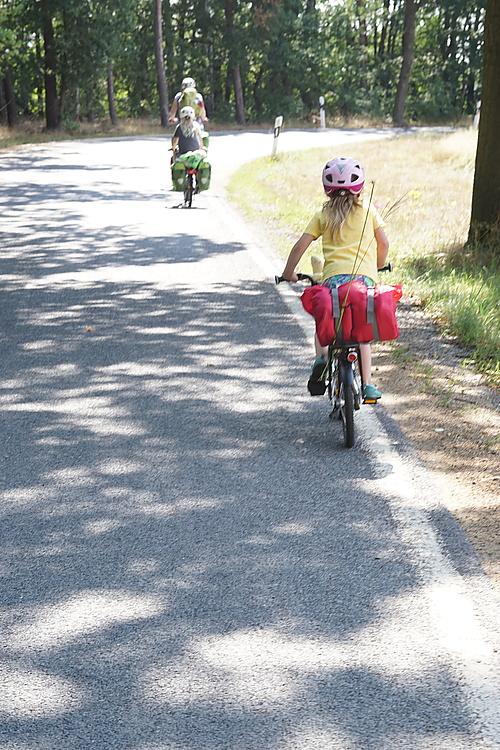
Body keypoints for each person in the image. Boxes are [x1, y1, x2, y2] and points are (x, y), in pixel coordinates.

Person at [280, 156, 389, 400]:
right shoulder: (368, 211)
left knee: (324, 319)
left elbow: (300, 246)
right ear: (359, 187)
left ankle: (322, 358)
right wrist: (379, 265)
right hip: (364, 282)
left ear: (327, 189)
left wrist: (289, 273)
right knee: (362, 333)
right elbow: (383, 242)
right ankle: (368, 385)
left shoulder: (323, 215)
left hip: (333, 282)